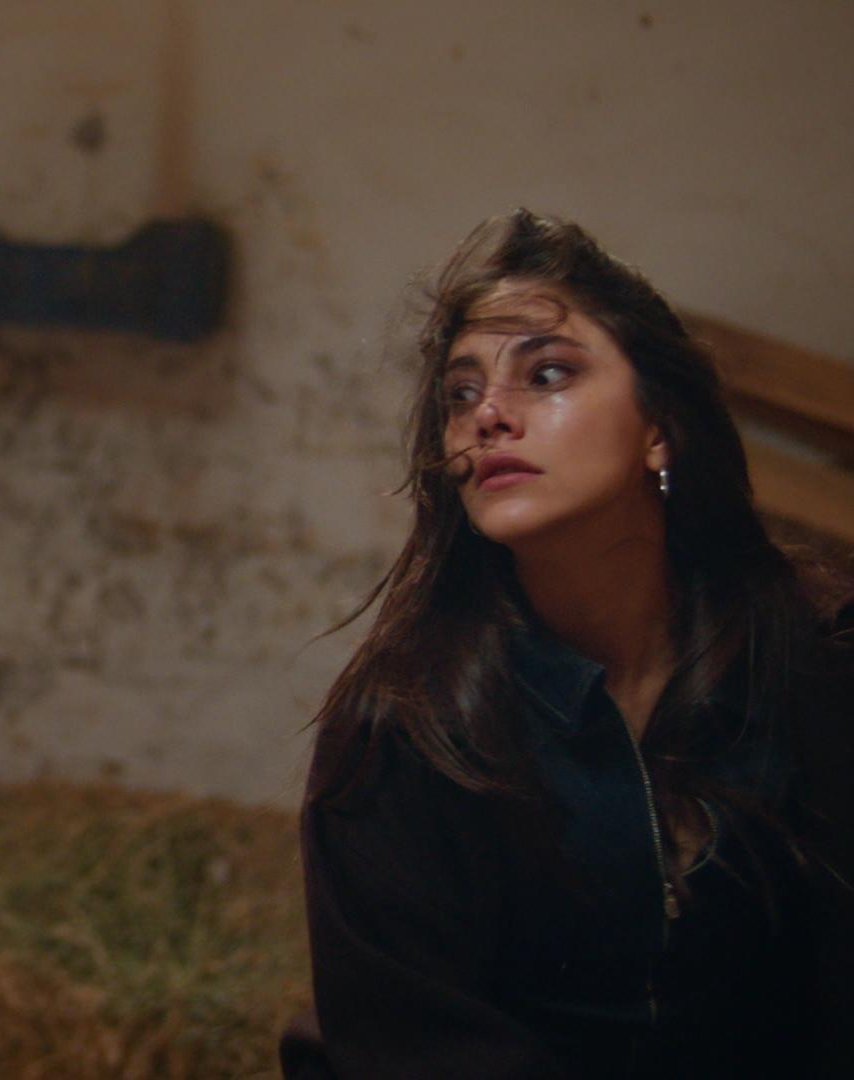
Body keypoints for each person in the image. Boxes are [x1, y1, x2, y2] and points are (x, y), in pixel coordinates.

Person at [280, 210, 854, 1078]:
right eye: (460, 394)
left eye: (547, 374)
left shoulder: (813, 663)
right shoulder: (406, 726)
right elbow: (411, 1044)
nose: (488, 417)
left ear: (659, 428)